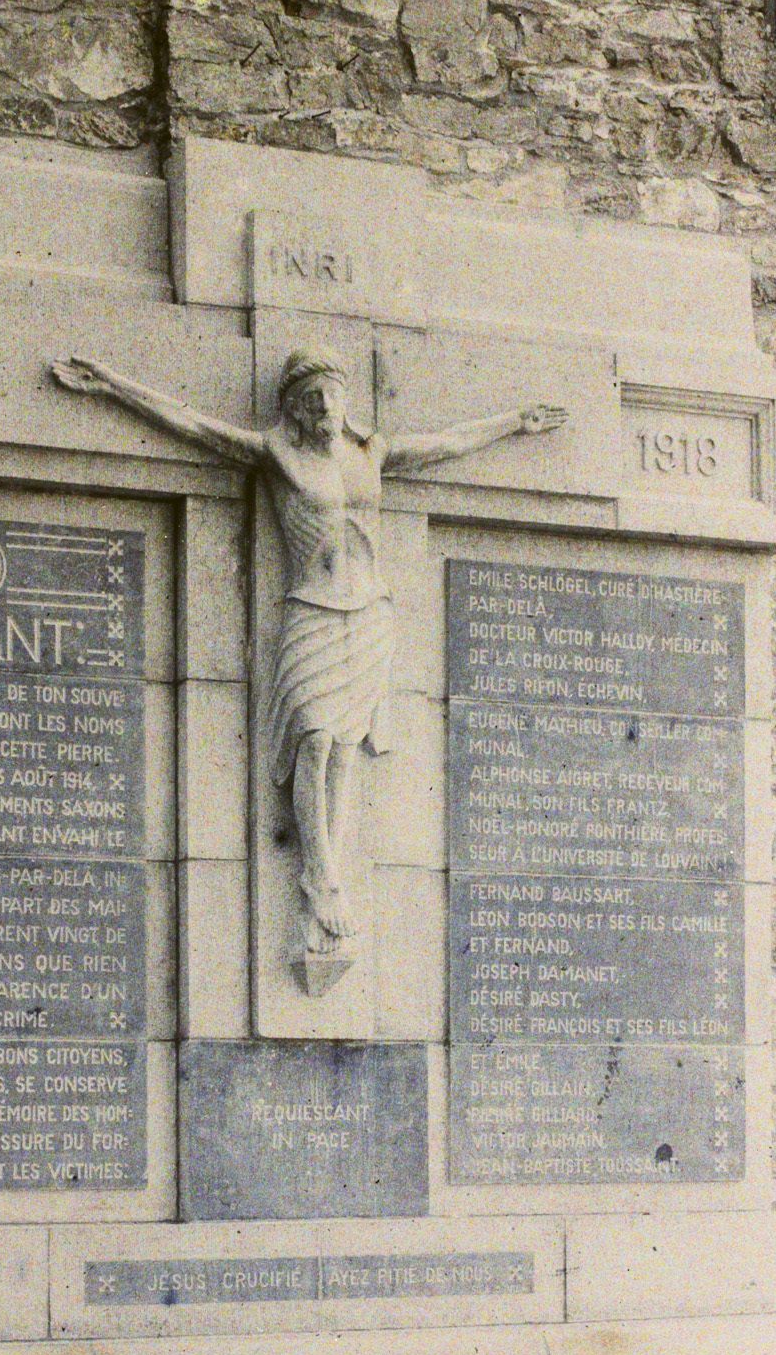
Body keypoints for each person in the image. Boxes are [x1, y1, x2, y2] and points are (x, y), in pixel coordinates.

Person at [52, 344, 566, 971]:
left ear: (344, 400)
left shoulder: (371, 454)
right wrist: (111, 382)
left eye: (332, 393)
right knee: (313, 738)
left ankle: (328, 873)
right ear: (293, 408)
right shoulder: (277, 454)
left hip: (370, 612)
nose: (324, 405)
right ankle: (319, 877)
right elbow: (191, 422)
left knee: (347, 746)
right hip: (313, 609)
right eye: (310, 397)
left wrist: (515, 422)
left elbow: (449, 444)